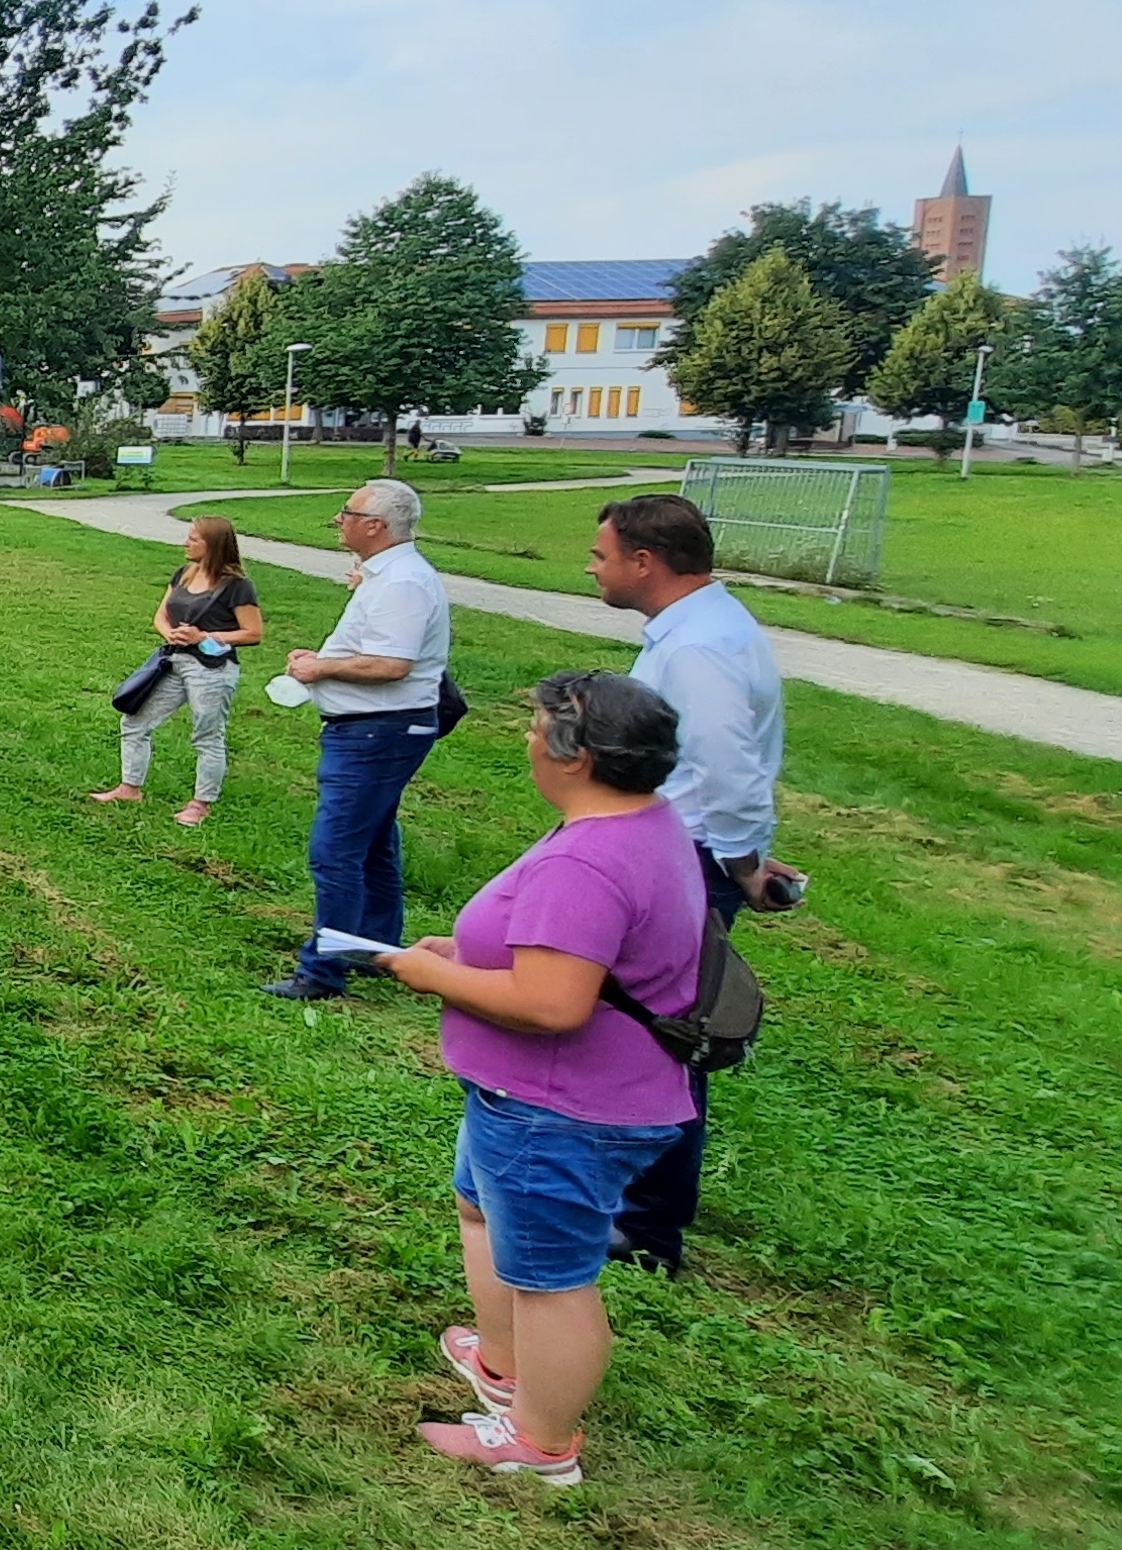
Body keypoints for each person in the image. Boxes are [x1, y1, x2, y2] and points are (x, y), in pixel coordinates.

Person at [378, 671, 708, 1487]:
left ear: (578, 757)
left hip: (563, 1107)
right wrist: (471, 955)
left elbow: (553, 1004)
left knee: (554, 1277)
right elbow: (587, 958)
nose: (526, 740)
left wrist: (433, 978)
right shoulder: (646, 824)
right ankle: (501, 1362)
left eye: (534, 729)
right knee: (484, 1211)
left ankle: (540, 1439)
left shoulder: (589, 860)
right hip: (550, 1098)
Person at [590, 492, 796, 1277]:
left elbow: (728, 772)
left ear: (646, 561)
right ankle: (638, 1208)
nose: (593, 567)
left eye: (602, 555)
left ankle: (645, 1228)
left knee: (660, 1038)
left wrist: (742, 866)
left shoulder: (699, 649)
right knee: (646, 1029)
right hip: (687, 853)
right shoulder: (703, 629)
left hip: (689, 859)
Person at [267, 478, 452, 1001]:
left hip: (377, 731)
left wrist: (320, 667)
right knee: (372, 842)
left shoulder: (403, 583)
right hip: (372, 727)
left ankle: (323, 970)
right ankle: (371, 946)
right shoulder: (385, 576)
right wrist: (319, 663)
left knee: (337, 849)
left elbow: (392, 664)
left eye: (346, 512)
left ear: (376, 526)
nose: (338, 520)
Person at [90, 515, 263, 826]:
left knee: (207, 734)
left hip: (211, 669)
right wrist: (168, 633)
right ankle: (129, 787)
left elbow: (253, 633)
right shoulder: (184, 573)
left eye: (194, 538)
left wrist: (205, 637)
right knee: (134, 721)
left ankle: (201, 803)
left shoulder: (237, 587)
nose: (186, 543)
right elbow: (161, 614)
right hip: (173, 662)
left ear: (214, 545)